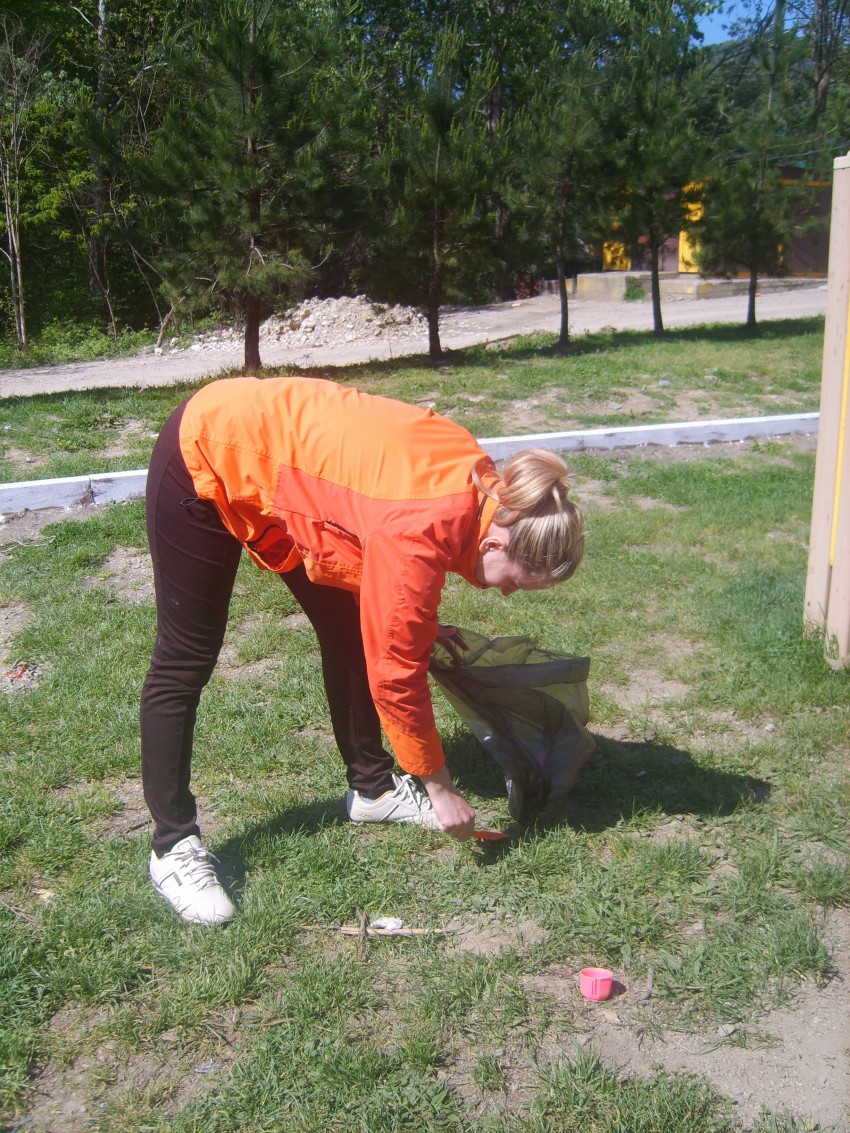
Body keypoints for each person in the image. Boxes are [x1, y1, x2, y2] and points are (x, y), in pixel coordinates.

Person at [142, 375, 584, 925]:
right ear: (495, 541)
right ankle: (172, 847)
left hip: (281, 458)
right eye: (514, 581)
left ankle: (373, 789)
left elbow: (382, 539)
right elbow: (396, 675)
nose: (508, 594)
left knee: (352, 629)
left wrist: (414, 620)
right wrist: (441, 788)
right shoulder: (420, 531)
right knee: (186, 657)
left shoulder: (481, 483)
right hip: (207, 446)